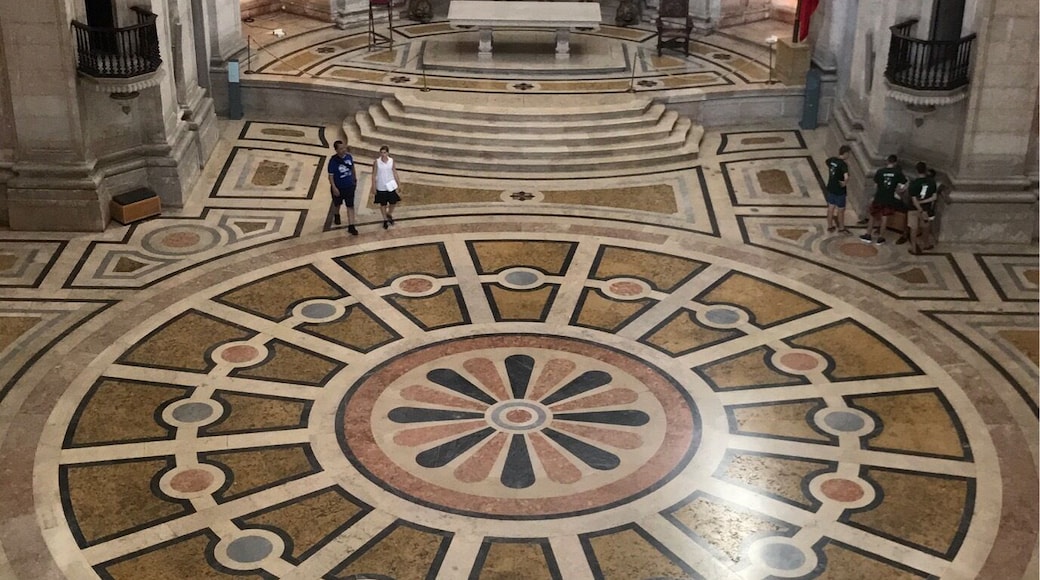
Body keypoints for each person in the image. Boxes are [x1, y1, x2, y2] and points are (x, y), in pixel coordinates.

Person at [859, 154, 907, 245]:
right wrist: (900, 191)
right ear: (895, 163)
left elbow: (876, 185)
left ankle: (868, 235)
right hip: (889, 198)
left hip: (879, 196)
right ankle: (880, 238)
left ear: (887, 161)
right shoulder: (897, 173)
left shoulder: (880, 171)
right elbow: (905, 184)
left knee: (872, 215)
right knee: (885, 217)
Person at [906, 163, 938, 255]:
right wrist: (924, 203)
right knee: (925, 227)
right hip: (926, 209)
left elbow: (914, 200)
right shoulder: (932, 182)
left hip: (914, 209)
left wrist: (919, 207)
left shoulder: (914, 183)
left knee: (913, 228)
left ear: (916, 171)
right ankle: (926, 244)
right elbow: (934, 197)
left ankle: (913, 248)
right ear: (925, 170)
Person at [328, 140, 358, 235]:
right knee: (337, 204)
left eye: (344, 148)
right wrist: (334, 187)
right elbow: (331, 176)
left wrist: (354, 179)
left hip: (349, 186)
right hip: (338, 187)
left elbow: (352, 167)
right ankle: (337, 214)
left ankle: (351, 226)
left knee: (350, 206)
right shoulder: (333, 161)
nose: (343, 150)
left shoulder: (349, 157)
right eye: (341, 149)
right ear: (336, 150)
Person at [371, 145, 402, 230]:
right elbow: (374, 175)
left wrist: (399, 183)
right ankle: (385, 219)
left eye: (384, 152)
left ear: (387, 153)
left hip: (390, 185)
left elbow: (394, 172)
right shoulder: (377, 162)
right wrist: (373, 186)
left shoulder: (391, 161)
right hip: (381, 185)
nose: (383, 154)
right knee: (383, 203)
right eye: (381, 152)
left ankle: (389, 213)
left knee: (393, 201)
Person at [824, 145, 852, 233]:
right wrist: (845, 183)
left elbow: (827, 162)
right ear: (846, 153)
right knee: (841, 209)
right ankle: (841, 227)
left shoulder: (832, 160)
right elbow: (846, 176)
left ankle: (829, 226)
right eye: (848, 154)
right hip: (840, 191)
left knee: (831, 207)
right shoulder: (843, 165)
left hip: (831, 187)